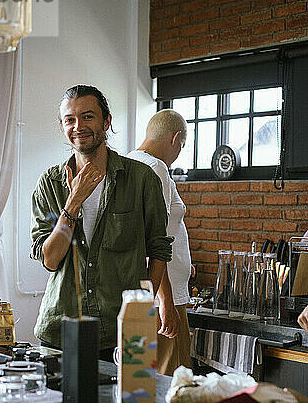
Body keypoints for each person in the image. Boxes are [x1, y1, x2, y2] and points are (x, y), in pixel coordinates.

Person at [30, 85, 172, 361]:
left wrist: (143, 310)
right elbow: (49, 259)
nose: (78, 126)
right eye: (70, 119)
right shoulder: (49, 184)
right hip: (60, 331)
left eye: (88, 116)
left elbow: (159, 250)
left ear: (106, 121)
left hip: (127, 331)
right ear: (62, 127)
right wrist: (74, 202)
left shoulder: (142, 179)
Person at [127, 109, 193, 375]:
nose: (179, 152)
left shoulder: (129, 161)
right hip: (164, 295)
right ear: (175, 138)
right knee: (173, 378)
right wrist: (165, 301)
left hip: (145, 290)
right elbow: (154, 240)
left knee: (140, 376)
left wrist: (183, 262)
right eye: (182, 146)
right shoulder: (156, 168)